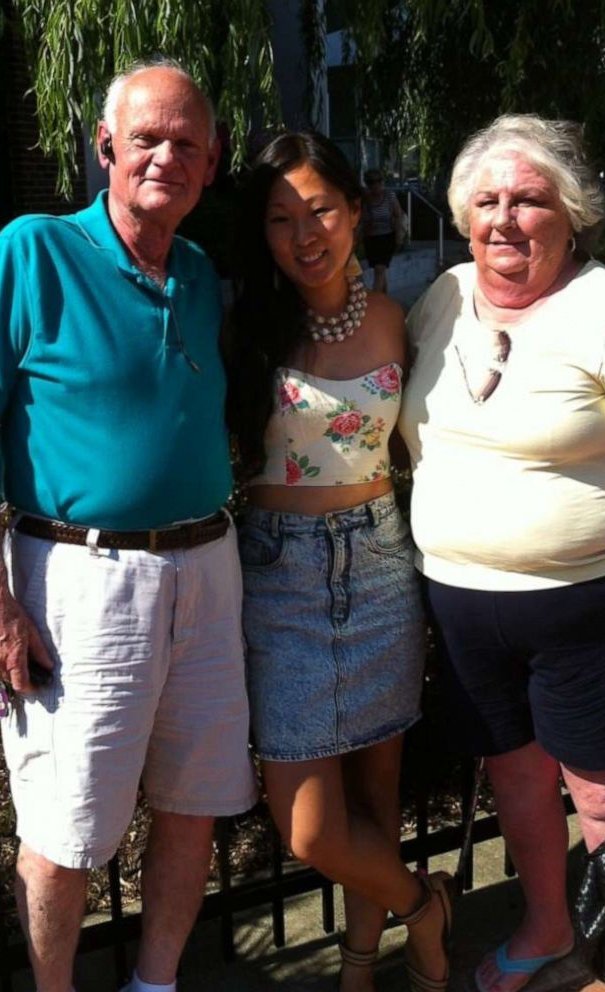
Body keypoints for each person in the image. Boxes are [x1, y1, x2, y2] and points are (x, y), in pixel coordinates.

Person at [0, 59, 258, 992]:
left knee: (193, 805)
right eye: (148, 138)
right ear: (106, 147)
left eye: (187, 143)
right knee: (66, 825)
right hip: (83, 580)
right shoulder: (34, 249)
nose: (167, 156)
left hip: (207, 566)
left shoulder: (197, 271)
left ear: (211, 162)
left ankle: (153, 984)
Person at [399, 114, 605, 992]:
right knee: (516, 779)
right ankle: (552, 928)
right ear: (461, 212)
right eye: (486, 200)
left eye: (528, 200)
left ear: (571, 213)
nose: (504, 219)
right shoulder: (440, 300)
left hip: (590, 603)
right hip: (462, 601)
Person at [226, 131, 450, 992]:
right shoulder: (241, 325)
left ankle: (363, 966)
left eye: (320, 208)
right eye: (281, 217)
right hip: (277, 579)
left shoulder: (402, 317)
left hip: (381, 567)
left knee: (378, 799)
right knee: (313, 830)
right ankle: (427, 906)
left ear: (357, 209)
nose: (304, 232)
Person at [361, 169, 404, 294]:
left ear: (382, 181)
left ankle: (376, 303)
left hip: (386, 237)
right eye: (371, 182)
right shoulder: (365, 199)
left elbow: (398, 215)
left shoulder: (389, 196)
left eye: (378, 181)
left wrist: (398, 235)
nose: (375, 185)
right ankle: (385, 299)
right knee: (379, 271)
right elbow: (362, 219)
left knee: (380, 269)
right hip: (371, 239)